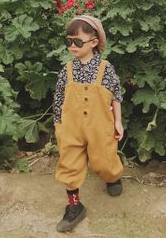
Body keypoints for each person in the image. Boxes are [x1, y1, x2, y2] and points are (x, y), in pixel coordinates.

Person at [53, 14, 124, 233]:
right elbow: (58, 98)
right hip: (71, 127)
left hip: (99, 126)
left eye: (78, 42)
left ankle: (112, 177)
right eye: (69, 41)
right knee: (69, 164)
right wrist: (59, 124)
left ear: (93, 42)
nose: (72, 46)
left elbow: (116, 96)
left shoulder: (105, 68)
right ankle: (75, 206)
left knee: (103, 160)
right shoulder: (67, 70)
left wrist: (118, 122)